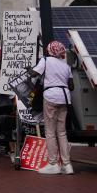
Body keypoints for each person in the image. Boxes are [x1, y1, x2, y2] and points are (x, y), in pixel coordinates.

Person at [31, 41, 75, 175]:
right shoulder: (66, 65)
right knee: (61, 132)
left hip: (51, 96)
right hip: (65, 97)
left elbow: (34, 74)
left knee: (50, 131)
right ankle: (67, 165)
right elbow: (71, 85)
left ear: (49, 50)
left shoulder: (46, 60)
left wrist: (30, 68)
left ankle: (53, 163)